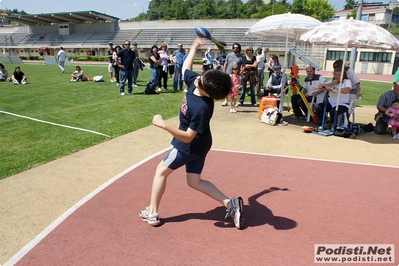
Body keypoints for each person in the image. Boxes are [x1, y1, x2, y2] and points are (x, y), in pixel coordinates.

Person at [138, 37, 244, 229]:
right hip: (202, 143)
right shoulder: (197, 83)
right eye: (201, 76)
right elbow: (187, 67)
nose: (197, 78)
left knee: (161, 171)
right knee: (194, 181)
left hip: (190, 144)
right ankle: (231, 203)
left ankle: (152, 213)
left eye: (201, 81)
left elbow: (187, 136)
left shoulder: (202, 107)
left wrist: (163, 124)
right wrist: (195, 47)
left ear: (209, 93)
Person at [222, 42, 244, 107]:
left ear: (239, 48)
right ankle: (226, 100)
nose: (235, 49)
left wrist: (240, 73)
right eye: (234, 47)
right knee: (227, 87)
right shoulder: (229, 55)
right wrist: (224, 72)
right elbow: (225, 64)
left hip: (236, 75)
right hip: (228, 74)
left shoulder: (241, 57)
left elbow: (243, 66)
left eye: (236, 47)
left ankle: (234, 101)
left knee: (235, 88)